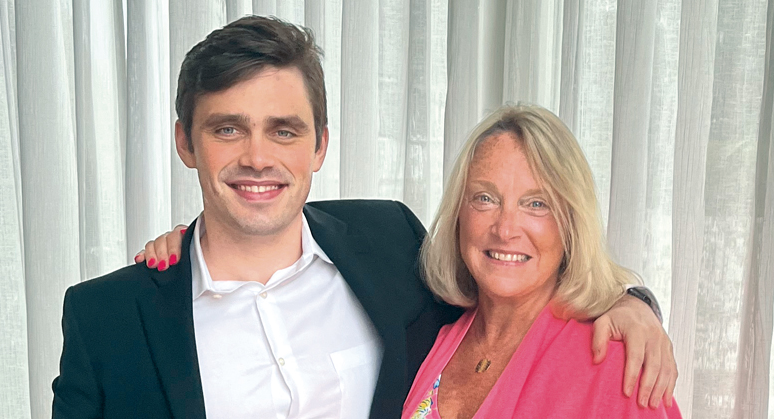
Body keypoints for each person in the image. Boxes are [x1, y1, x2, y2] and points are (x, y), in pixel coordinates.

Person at [53, 15, 674, 419]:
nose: (257, 158)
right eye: (227, 129)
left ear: (320, 144)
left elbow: (508, 271)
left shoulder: (390, 243)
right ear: (186, 143)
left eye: (284, 130)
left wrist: (631, 302)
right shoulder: (107, 320)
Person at [402, 104, 681, 418]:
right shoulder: (430, 335)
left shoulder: (616, 367)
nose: (505, 229)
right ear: (458, 215)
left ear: (570, 224)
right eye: (485, 198)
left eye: (536, 204)